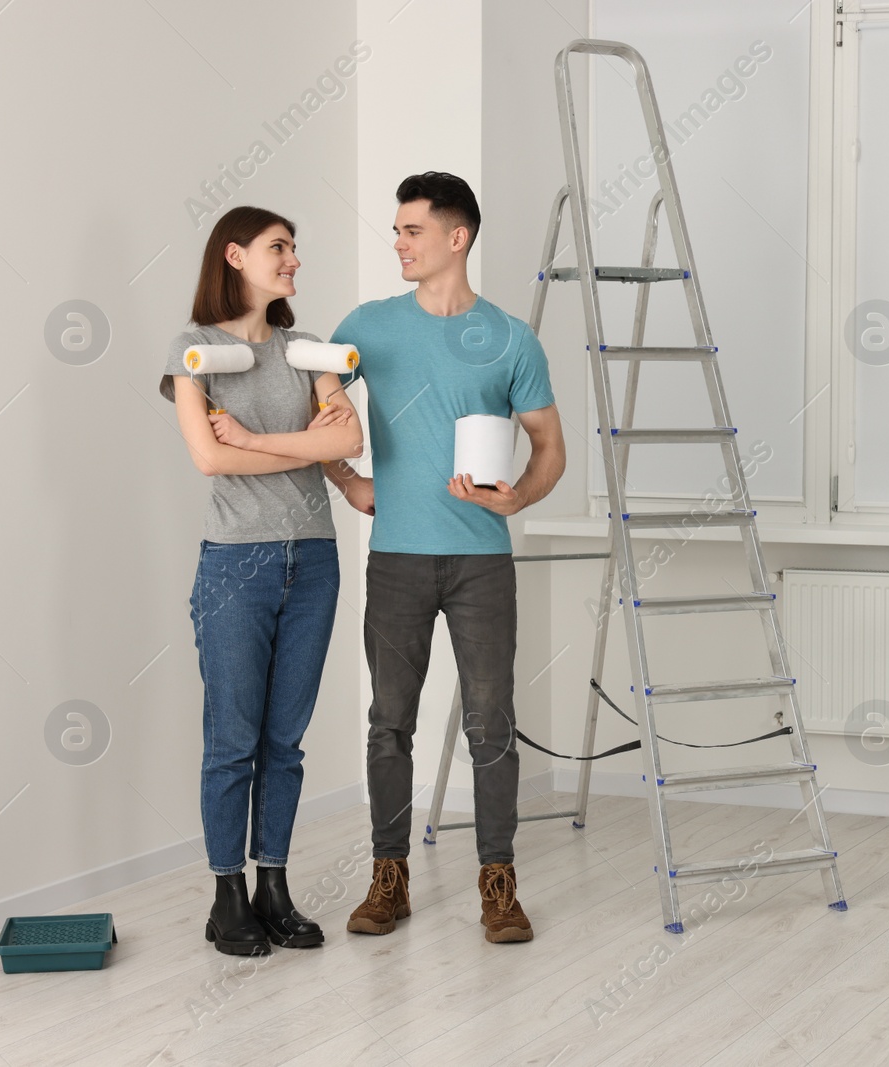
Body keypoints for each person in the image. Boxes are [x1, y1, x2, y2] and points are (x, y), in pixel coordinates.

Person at [324, 172, 565, 944]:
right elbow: (314, 404)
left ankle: (499, 881)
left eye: (411, 231)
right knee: (389, 723)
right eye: (396, 230)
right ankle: (386, 876)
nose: (397, 242)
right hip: (396, 556)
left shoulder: (509, 338)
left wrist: (518, 497)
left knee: (491, 723)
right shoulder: (367, 326)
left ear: (455, 239)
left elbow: (550, 446)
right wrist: (348, 480)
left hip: (480, 563)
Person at [161, 205, 364, 956]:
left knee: (286, 740)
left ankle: (274, 884)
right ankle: (227, 896)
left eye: (295, 248)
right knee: (233, 741)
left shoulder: (307, 348)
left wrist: (253, 437)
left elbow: (349, 437)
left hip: (312, 560)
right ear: (236, 256)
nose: (294, 260)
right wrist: (301, 449)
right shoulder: (194, 350)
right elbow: (211, 461)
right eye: (281, 248)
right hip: (235, 565)